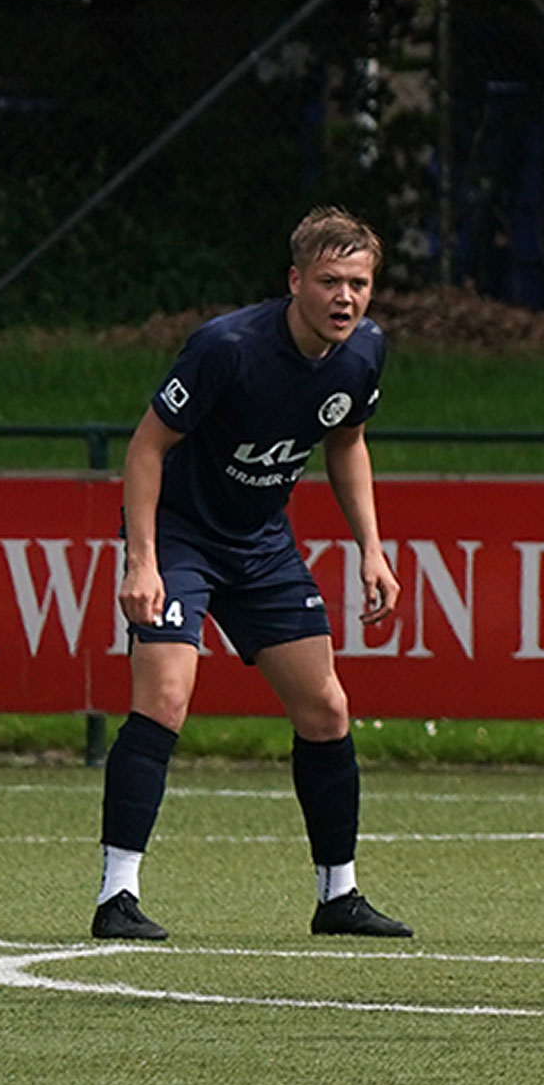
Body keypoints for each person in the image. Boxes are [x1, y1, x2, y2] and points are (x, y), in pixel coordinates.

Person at [94, 206, 411, 942]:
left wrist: (372, 548)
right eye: (330, 281)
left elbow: (347, 442)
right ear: (295, 281)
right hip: (182, 536)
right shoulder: (226, 347)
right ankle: (117, 896)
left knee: (326, 709)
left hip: (261, 543)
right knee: (165, 697)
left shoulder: (364, 351)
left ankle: (338, 896)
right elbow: (145, 449)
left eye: (359, 283)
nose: (346, 298)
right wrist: (142, 561)